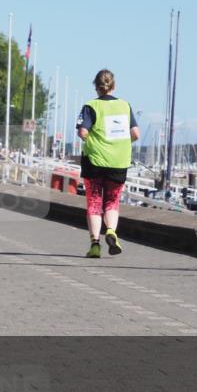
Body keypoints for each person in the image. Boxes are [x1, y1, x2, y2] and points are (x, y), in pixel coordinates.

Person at [76, 69, 139, 258]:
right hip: (119, 162)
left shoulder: (90, 106)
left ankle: (95, 244)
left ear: (96, 87)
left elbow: (83, 132)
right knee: (112, 201)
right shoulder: (125, 106)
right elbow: (136, 134)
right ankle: (111, 230)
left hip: (94, 162)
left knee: (94, 203)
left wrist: (94, 139)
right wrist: (119, 142)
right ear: (114, 85)